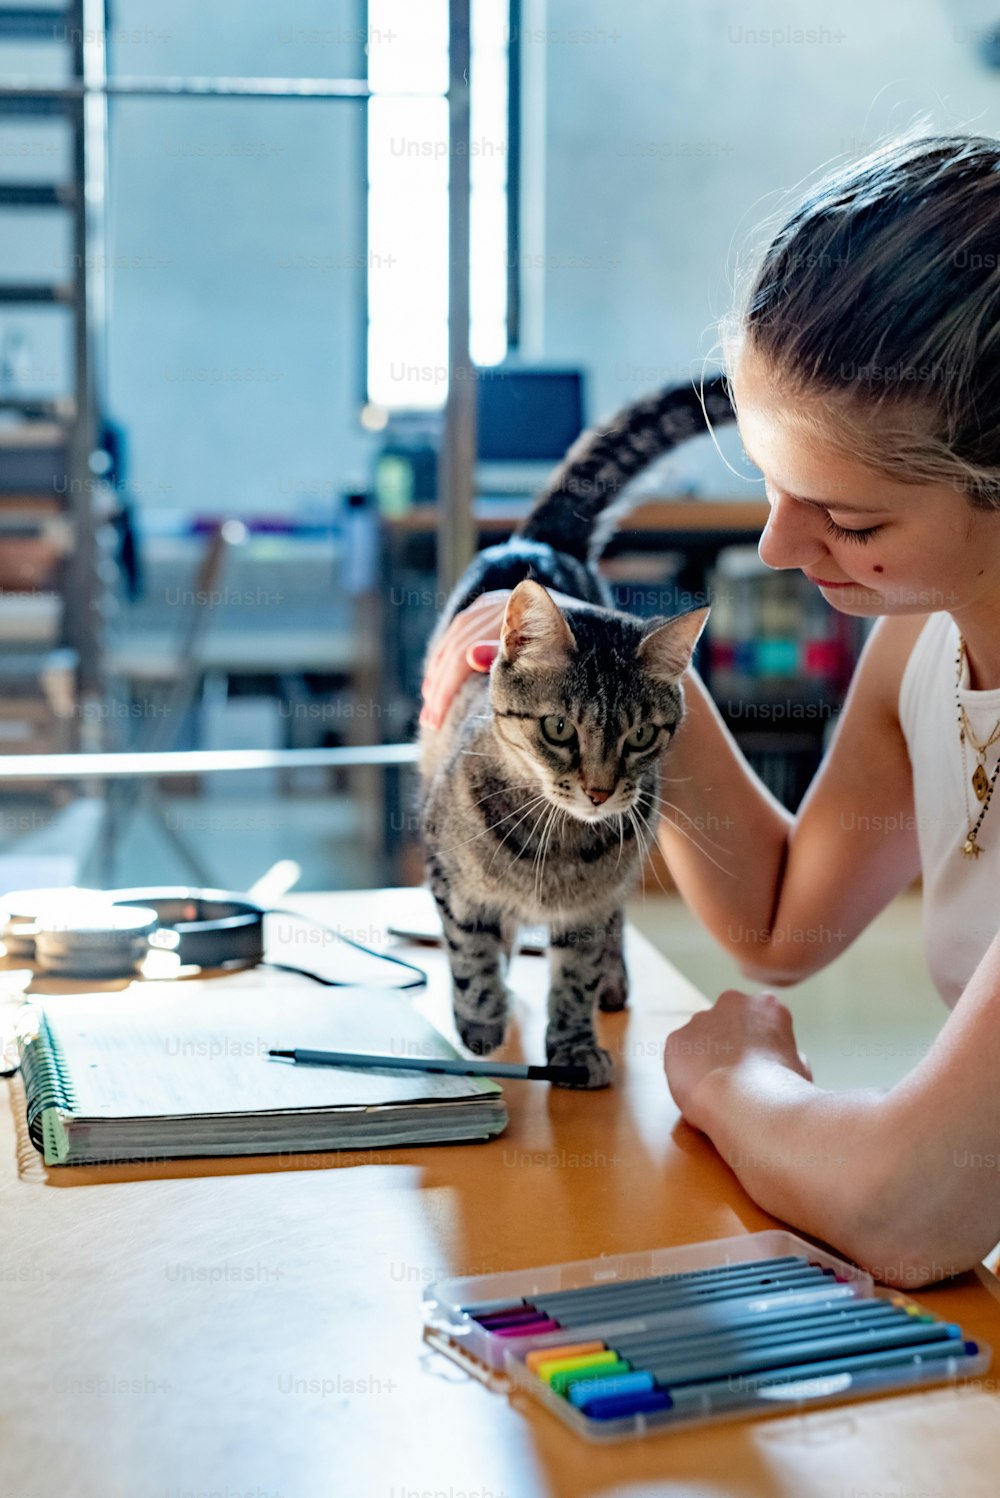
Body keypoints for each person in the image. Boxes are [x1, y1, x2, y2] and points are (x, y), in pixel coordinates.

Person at [419, 131, 1000, 1287]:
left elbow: (908, 1203)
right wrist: (586, 693)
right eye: (774, 489)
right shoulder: (921, 648)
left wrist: (730, 1071)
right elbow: (779, 920)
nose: (780, 547)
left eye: (853, 521)